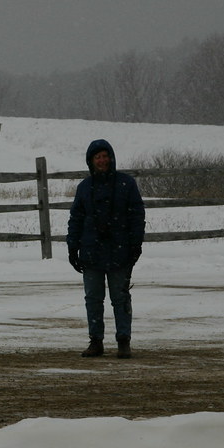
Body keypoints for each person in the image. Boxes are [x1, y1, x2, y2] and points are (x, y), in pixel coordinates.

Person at [66, 139, 145, 358]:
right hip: (91, 251)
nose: (102, 160)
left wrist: (135, 244)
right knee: (93, 298)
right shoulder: (84, 188)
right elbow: (76, 219)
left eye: (105, 156)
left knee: (120, 297)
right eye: (97, 157)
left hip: (120, 251)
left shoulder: (126, 184)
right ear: (91, 161)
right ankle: (96, 341)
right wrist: (72, 247)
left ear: (111, 158)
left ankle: (123, 340)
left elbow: (137, 216)